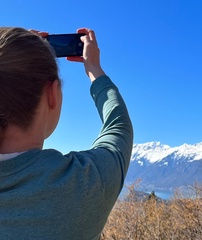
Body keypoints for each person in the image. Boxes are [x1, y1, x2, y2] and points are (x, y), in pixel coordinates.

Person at [0, 27, 133, 240]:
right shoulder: (85, 183)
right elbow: (118, 125)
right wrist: (94, 69)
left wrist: (15, 47)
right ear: (51, 94)